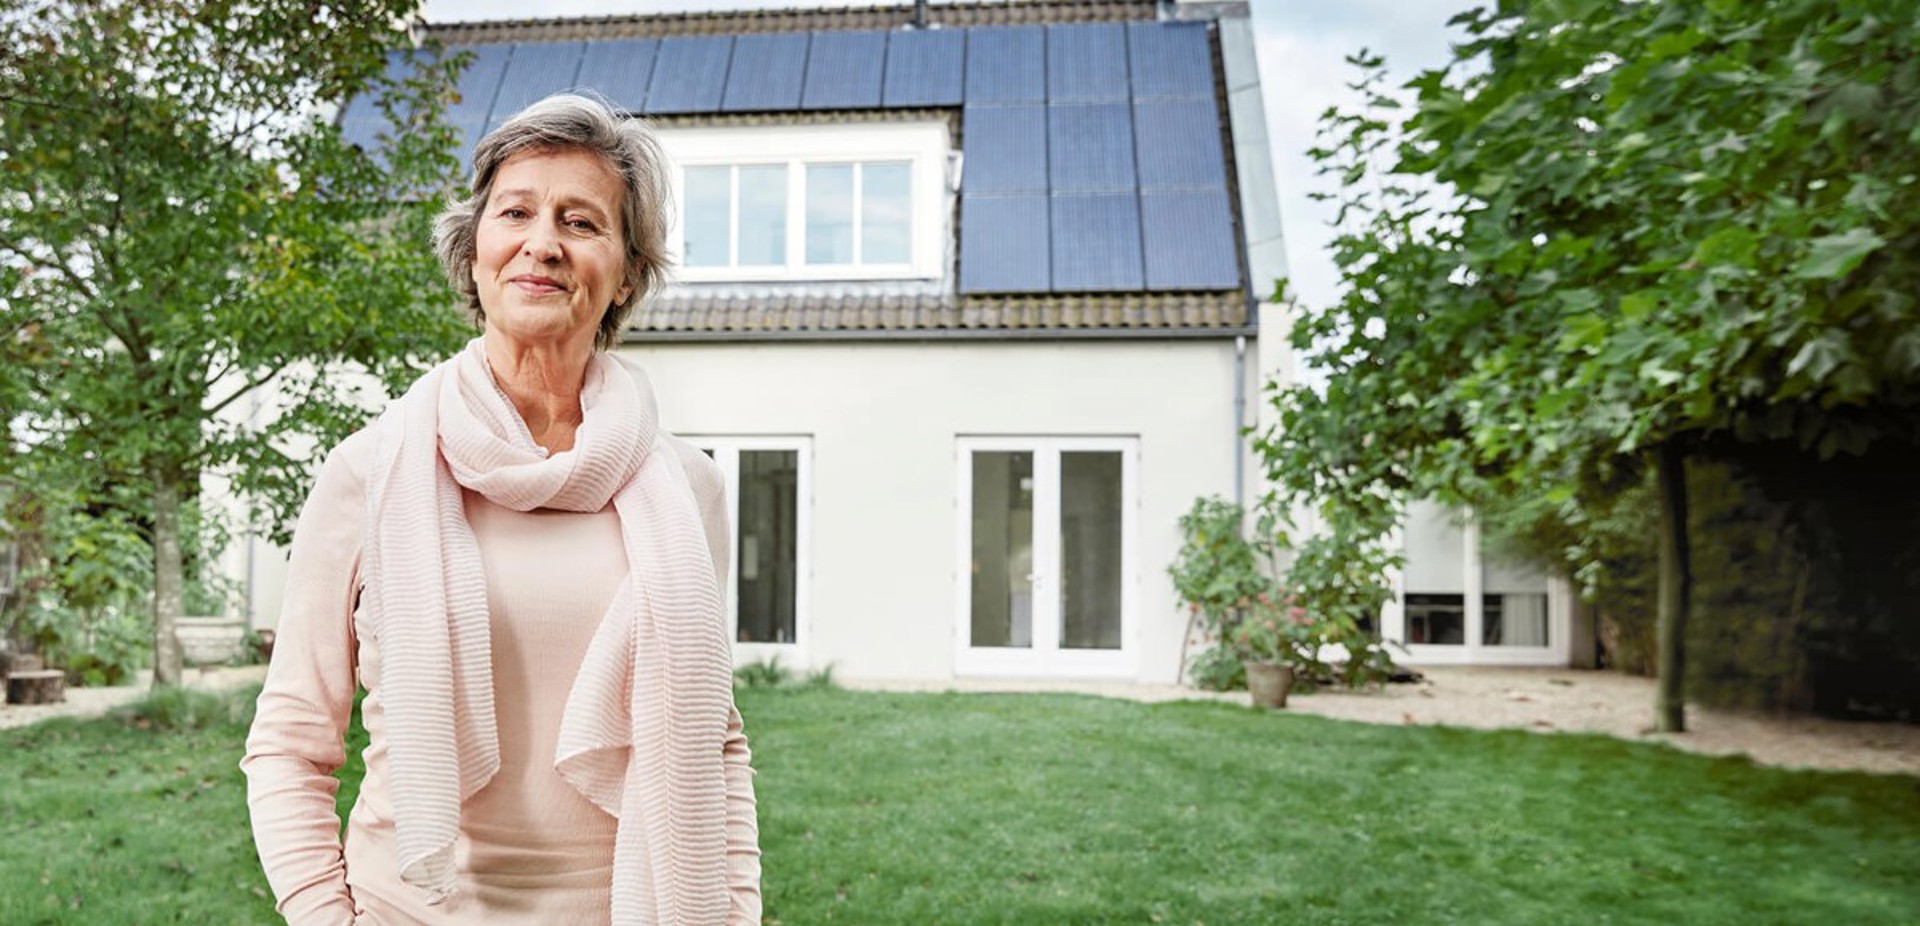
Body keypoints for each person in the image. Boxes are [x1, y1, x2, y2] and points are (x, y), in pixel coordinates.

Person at [242, 94, 760, 926]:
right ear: (475, 251)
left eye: (582, 222)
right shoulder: (370, 471)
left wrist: (734, 911)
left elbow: (715, 737)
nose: (543, 243)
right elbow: (292, 739)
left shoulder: (688, 486)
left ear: (627, 270)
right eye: (515, 212)